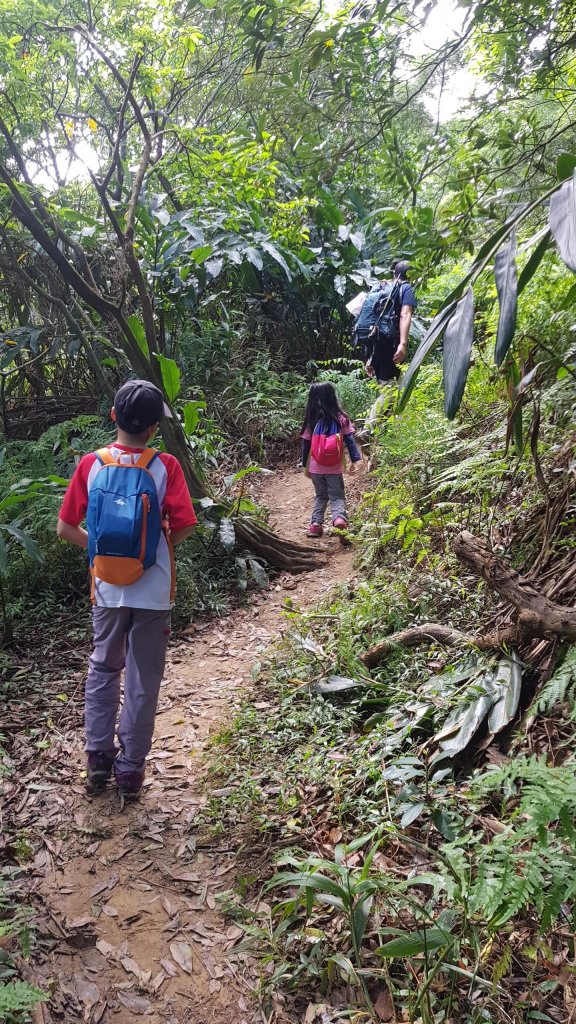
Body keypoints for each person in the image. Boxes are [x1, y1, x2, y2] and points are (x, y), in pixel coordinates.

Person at [57, 380, 197, 801]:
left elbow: (65, 528)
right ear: (154, 428)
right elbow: (187, 524)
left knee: (103, 668)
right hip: (153, 592)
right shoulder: (165, 466)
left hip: (107, 591)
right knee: (142, 678)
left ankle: (98, 758)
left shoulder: (91, 465)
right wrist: (149, 551)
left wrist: (101, 552)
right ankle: (131, 771)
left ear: (114, 416)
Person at [301, 381, 362, 539]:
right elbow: (349, 440)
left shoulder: (311, 419)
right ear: (332, 398)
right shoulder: (341, 418)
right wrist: (355, 460)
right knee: (337, 496)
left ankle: (315, 525)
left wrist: (305, 466)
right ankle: (339, 519)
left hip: (315, 467)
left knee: (321, 495)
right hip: (334, 468)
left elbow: (306, 444)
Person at [354, 260, 417, 383]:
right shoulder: (406, 288)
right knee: (389, 391)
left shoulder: (381, 288)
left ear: (394, 274)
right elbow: (405, 314)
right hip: (391, 346)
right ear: (411, 275)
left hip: (375, 345)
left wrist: (370, 357)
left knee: (385, 387)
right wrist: (402, 345)